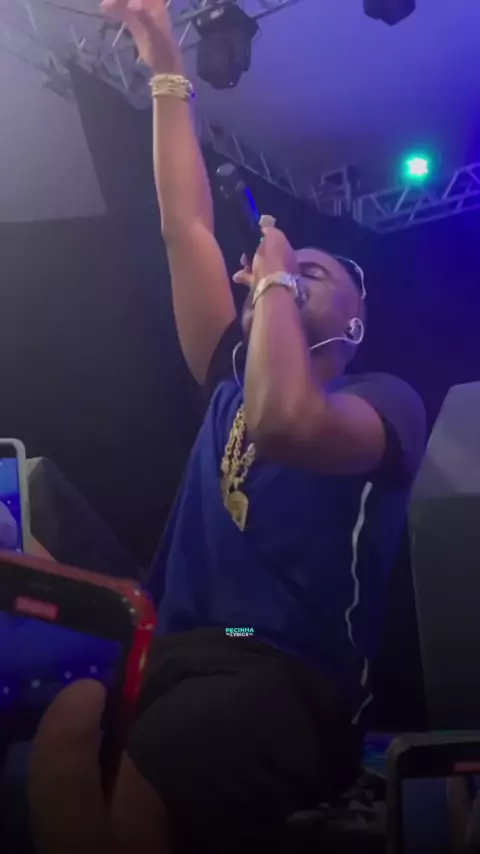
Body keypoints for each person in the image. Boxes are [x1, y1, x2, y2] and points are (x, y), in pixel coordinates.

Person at [29, 0, 426, 852]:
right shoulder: (228, 378)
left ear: (354, 325)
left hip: (287, 672)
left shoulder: (383, 402)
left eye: (315, 274)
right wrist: (164, 60)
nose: (284, 274)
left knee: (157, 766)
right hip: (181, 650)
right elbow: (185, 226)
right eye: (284, 270)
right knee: (63, 734)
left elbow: (285, 423)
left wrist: (275, 276)